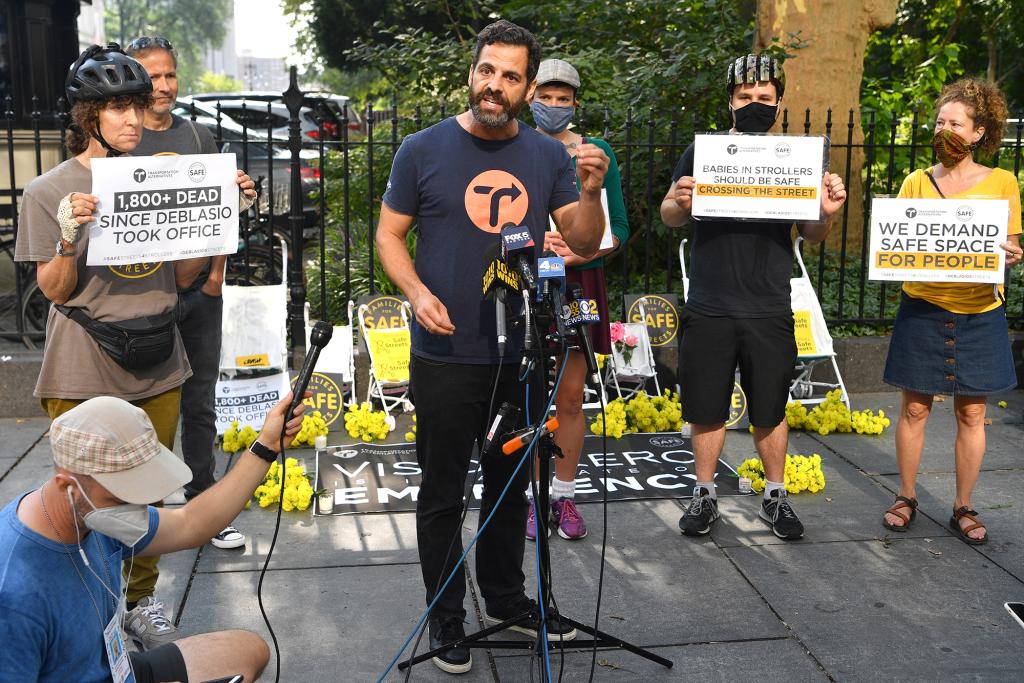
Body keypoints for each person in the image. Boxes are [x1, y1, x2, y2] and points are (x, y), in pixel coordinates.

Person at [375, 20, 609, 675]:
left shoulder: (547, 156)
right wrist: (417, 293)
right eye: (487, 70)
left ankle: (507, 600)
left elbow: (584, 242)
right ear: (471, 72)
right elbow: (389, 235)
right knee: (443, 491)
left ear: (528, 87)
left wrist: (589, 191)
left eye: (510, 76)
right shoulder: (422, 149)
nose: (495, 85)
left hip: (521, 352)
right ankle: (446, 615)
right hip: (445, 353)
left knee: (510, 490)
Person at [13, 43, 256, 650]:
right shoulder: (49, 190)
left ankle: (140, 604)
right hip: (84, 363)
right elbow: (54, 289)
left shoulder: (156, 176)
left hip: (159, 359)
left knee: (146, 492)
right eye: (116, 108)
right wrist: (70, 236)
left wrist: (221, 215)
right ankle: (82, 600)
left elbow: (179, 277)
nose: (131, 119)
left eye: (137, 106)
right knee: (83, 500)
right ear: (87, 117)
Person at [660, 54, 847, 541]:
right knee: (706, 407)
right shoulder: (704, 153)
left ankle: (775, 497)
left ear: (779, 102)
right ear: (730, 101)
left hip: (768, 302)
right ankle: (704, 494)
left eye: (765, 98)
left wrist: (826, 211)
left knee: (770, 409)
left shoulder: (795, 159)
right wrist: (679, 201)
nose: (755, 105)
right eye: (746, 97)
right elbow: (668, 215)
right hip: (710, 301)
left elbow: (814, 231)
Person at [0, 392, 305, 682]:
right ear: (67, 485)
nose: (136, 507)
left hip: (113, 669)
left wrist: (266, 444)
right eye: (124, 494)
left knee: (247, 650)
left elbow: (191, 523)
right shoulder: (14, 595)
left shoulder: (91, 513)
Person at [881, 78, 1022, 545]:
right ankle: (905, 496)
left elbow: (1011, 245)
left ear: (980, 132)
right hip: (923, 307)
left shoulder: (1003, 182)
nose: (946, 130)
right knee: (914, 408)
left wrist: (1009, 253)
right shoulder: (915, 182)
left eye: (956, 124)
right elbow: (897, 240)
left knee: (972, 414)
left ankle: (963, 504)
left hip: (980, 311)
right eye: (941, 121)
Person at [126, 35, 246, 552]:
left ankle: (206, 508)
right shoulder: (122, 141)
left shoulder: (198, 135)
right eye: (153, 75)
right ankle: (144, 516)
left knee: (199, 403)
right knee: (144, 407)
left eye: (171, 74)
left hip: (200, 293)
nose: (165, 85)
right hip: (141, 301)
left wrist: (216, 275)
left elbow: (220, 210)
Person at [524, 58, 630, 541]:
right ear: (529, 97)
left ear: (575, 104)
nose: (552, 106)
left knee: (569, 396)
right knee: (526, 400)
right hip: (522, 284)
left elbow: (618, 229)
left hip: (578, 287)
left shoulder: (596, 151)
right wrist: (531, 244)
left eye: (562, 99)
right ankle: (531, 499)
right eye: (544, 97)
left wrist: (579, 252)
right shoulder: (513, 146)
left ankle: (563, 497)